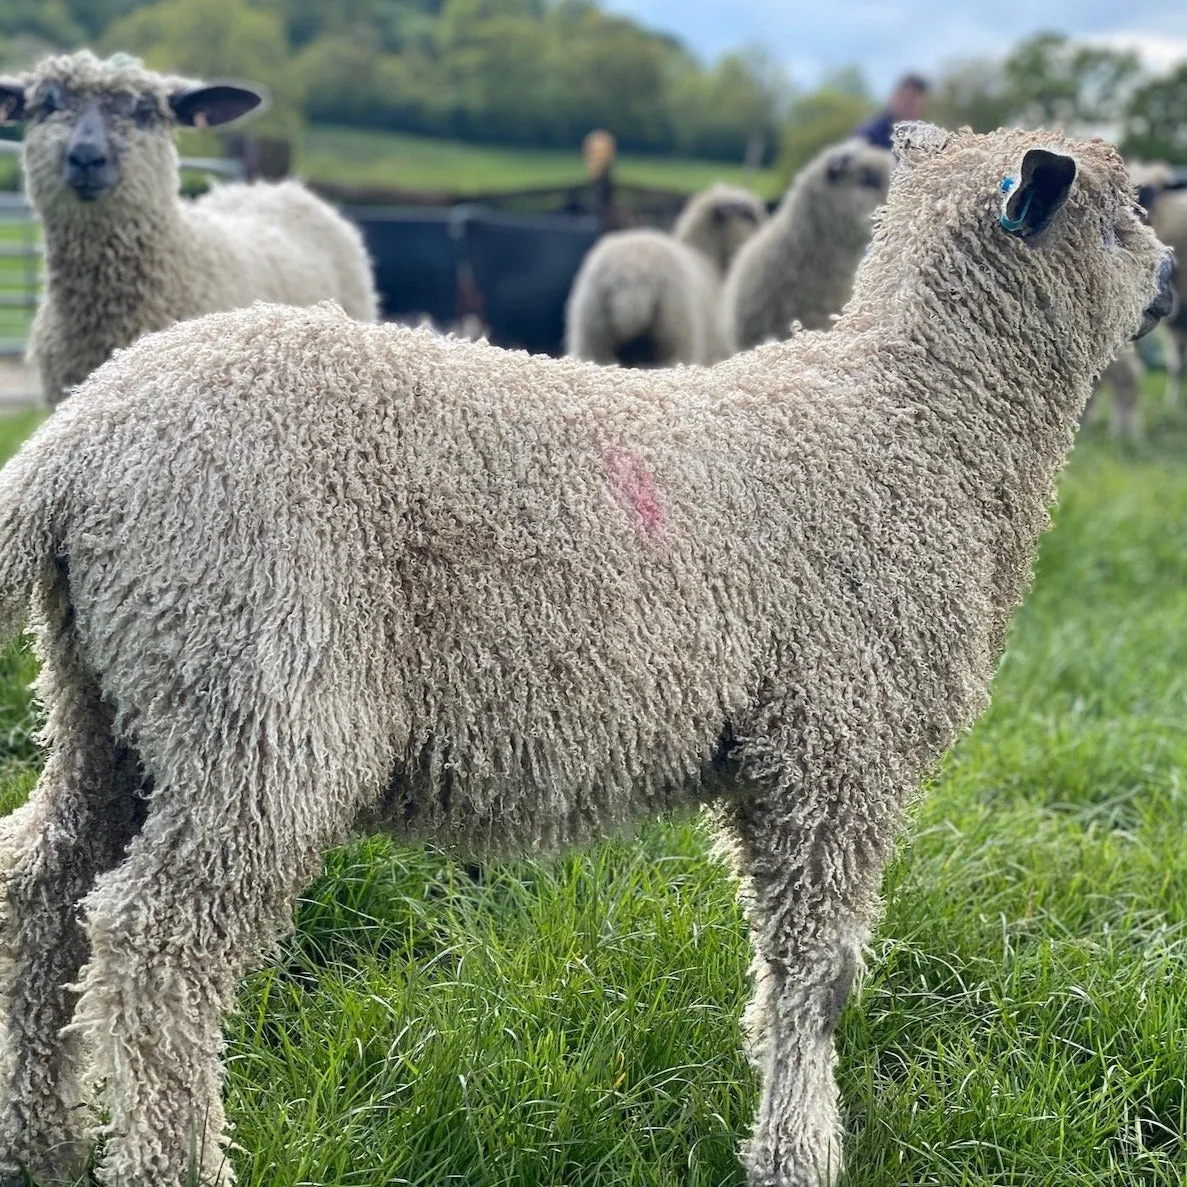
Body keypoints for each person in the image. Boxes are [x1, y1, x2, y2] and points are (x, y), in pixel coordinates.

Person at [853, 74, 929, 151]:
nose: (909, 102)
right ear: (894, 97)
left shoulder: (926, 140)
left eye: (915, 98)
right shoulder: (869, 133)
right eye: (905, 96)